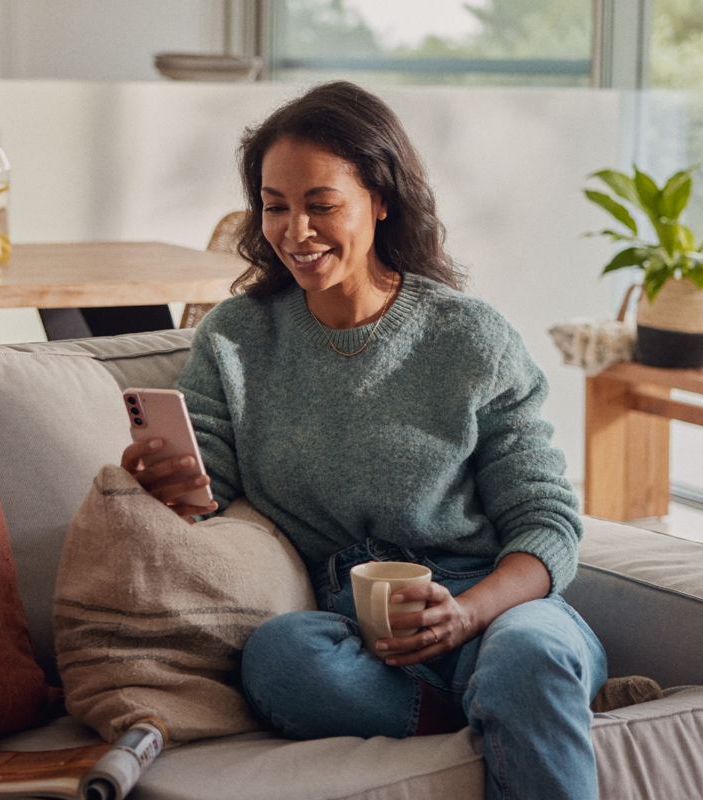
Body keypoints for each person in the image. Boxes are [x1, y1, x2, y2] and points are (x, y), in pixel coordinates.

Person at [120, 81, 607, 800]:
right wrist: (164, 484)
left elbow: (548, 523)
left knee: (528, 656)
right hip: (349, 626)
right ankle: (470, 712)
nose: (295, 231)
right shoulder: (238, 337)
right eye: (275, 206)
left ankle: (515, 691)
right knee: (280, 659)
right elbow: (207, 489)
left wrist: (466, 613)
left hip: (493, 604)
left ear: (381, 199)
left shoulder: (469, 337)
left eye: (321, 205)